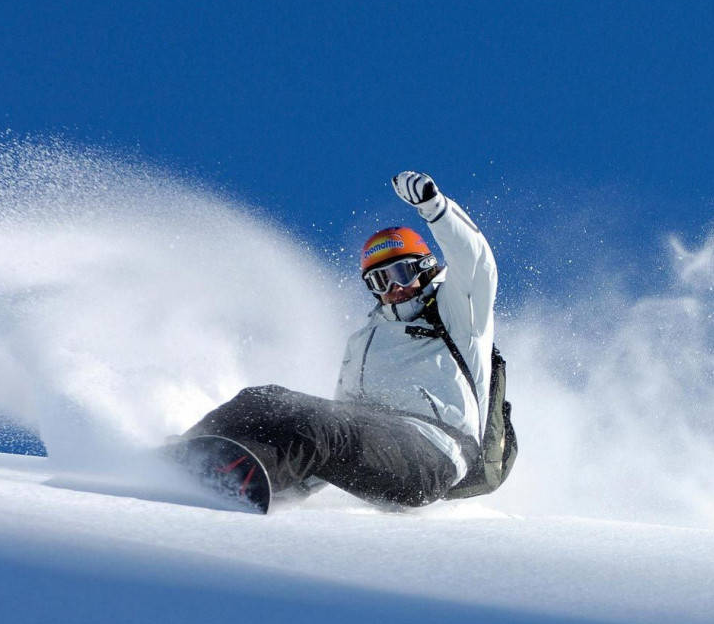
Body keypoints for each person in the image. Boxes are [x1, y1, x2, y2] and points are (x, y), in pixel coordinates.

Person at [181, 170, 497, 507]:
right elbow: (342, 426)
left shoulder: (458, 314)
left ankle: (236, 485)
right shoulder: (364, 342)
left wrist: (436, 208)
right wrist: (299, 489)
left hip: (437, 452)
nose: (392, 289)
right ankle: (188, 454)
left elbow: (477, 262)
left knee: (324, 426)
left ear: (425, 267)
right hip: (378, 440)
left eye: (400, 274)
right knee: (262, 399)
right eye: (379, 281)